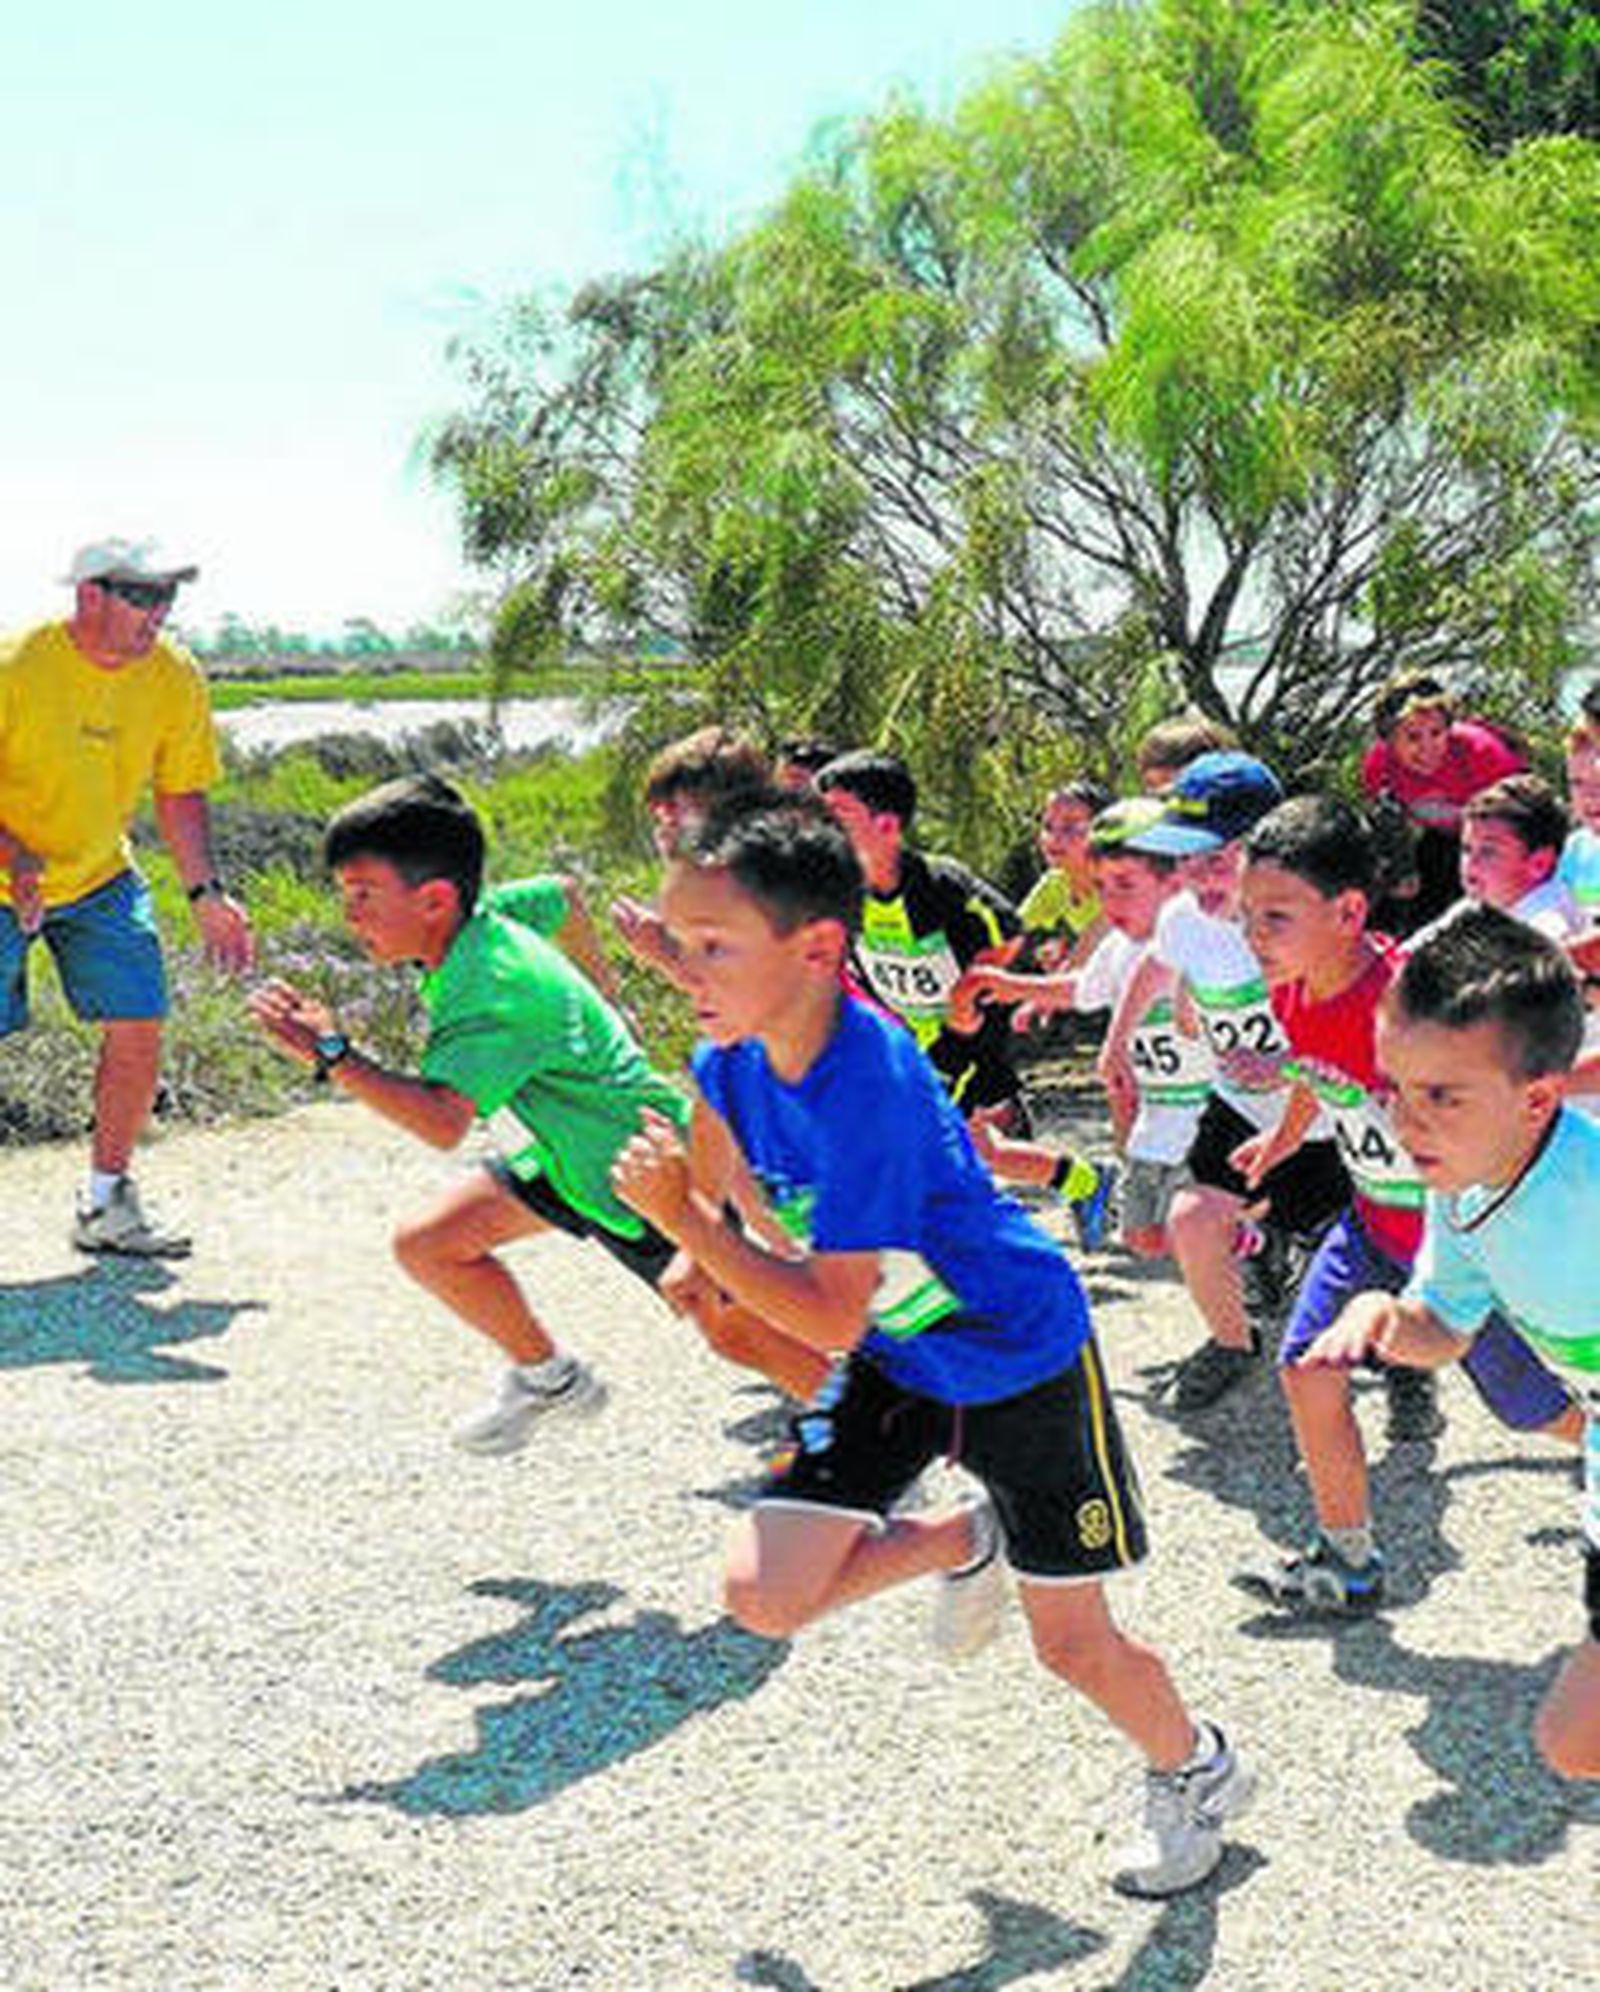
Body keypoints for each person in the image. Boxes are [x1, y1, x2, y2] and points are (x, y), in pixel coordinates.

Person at [608, 796, 1256, 1897]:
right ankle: (962, 1535)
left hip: (1022, 1360)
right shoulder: (730, 1056)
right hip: (904, 1361)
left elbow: (826, 1313)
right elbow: (717, 1153)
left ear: (818, 950)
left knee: (1071, 1645)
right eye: (680, 942)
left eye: (712, 946)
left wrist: (689, 1231)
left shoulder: (867, 1084)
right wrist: (698, 1233)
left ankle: (1196, 1770)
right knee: (764, 1595)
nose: (683, 969)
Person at [247, 774, 710, 1453]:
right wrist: (607, 998)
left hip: (640, 1173)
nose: (348, 916)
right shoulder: (483, 917)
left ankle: (855, 1444)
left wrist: (333, 1054)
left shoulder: (490, 986)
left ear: (434, 899)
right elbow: (564, 895)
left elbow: (443, 1122)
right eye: (344, 893)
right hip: (559, 1161)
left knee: (757, 1329)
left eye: (363, 894)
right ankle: (550, 1381)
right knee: (430, 1243)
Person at [1229, 799, 1576, 1614]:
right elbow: (1315, 1073)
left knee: (1535, 1410)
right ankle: (1346, 1561)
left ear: (1350, 912)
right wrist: (1282, 1141)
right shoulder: (1292, 992)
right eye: (1246, 915)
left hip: (1460, 1245)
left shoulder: (1411, 1009)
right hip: (1371, 1228)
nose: (1252, 935)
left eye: (1275, 916)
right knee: (1306, 1368)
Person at [1301, 906, 1600, 1777]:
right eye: (1396, 1088)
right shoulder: (1462, 1187)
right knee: (1574, 1743)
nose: (1406, 1122)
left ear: (1537, 1097)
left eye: (1442, 1096)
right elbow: (1444, 1324)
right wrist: (1380, 1318)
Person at [0, 536, 254, 1255]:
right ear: (90, 595)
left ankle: (106, 1204)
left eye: (167, 595)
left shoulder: (174, 674)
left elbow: (180, 790)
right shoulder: (14, 667)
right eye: (142, 595)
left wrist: (205, 893)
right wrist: (17, 858)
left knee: (140, 1019)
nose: (159, 611)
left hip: (100, 877)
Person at [1097, 755, 1351, 1409]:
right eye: (1183, 859)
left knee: (1367, 1257)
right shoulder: (1186, 917)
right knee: (1190, 1217)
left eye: (1214, 859)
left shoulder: (1311, 921)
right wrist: (1118, 1040)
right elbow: (1157, 965)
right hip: (1242, 1106)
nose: (1194, 876)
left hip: (1328, 1115)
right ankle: (1232, 1341)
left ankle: (1406, 1372)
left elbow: (1354, 1027)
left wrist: (1285, 1065)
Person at [815, 749, 1117, 1247]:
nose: (822, 829)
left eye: (838, 817)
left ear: (886, 825)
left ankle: (955, 1247)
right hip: (910, 1034)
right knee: (980, 1148)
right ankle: (1085, 1181)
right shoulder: (841, 890)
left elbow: (1008, 932)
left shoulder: (937, 883)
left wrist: (969, 994)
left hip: (965, 1038)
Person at [968, 799, 1207, 1259]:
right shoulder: (1118, 946)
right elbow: (1080, 988)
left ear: (1175, 882)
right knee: (1143, 1237)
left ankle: (1256, 1248)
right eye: (1101, 888)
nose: (1110, 902)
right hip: (1159, 1109)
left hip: (1214, 1116)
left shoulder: (1204, 938)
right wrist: (1016, 988)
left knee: (1203, 1219)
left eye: (1125, 885)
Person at [1361, 671, 1526, 934]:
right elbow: (1388, 830)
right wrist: (1401, 870)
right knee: (1401, 904)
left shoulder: (1482, 754)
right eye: (1413, 737)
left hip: (1505, 832)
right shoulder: (1380, 768)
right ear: (1389, 740)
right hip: (1445, 837)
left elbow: (1524, 821)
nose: (1428, 747)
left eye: (1436, 733)